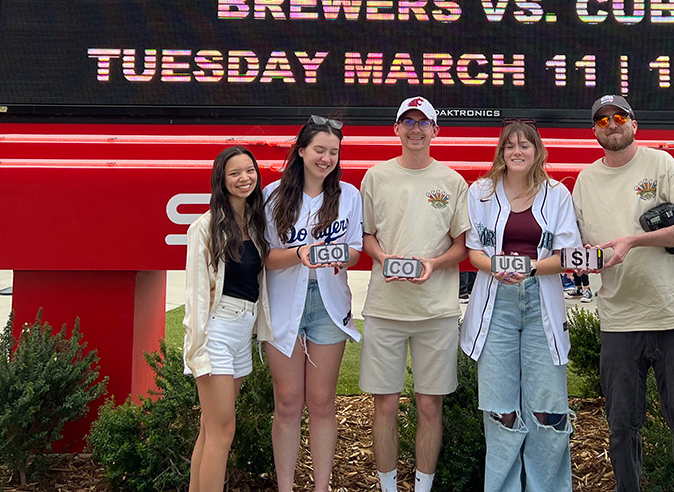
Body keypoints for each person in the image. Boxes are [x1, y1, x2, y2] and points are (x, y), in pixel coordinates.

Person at [573, 94, 674, 492]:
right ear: (594, 131)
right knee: (620, 429)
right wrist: (581, 261)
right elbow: (581, 251)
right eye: (602, 120)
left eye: (619, 116)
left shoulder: (660, 163)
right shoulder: (585, 181)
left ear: (634, 124)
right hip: (620, 321)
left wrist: (634, 240)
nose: (611, 124)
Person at [460, 120, 581, 492]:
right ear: (501, 151)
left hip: (540, 301)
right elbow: (473, 251)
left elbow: (567, 255)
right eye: (510, 145)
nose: (517, 151)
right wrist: (497, 268)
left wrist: (528, 268)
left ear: (537, 151)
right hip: (495, 304)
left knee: (548, 410)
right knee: (502, 411)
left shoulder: (557, 193)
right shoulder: (480, 191)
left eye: (525, 145)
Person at [360, 96, 471, 492]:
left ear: (436, 131)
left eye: (423, 123)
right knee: (385, 405)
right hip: (386, 308)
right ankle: (388, 487)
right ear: (396, 129)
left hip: (436, 311)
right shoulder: (375, 177)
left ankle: (423, 487)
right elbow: (366, 236)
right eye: (407, 121)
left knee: (429, 405)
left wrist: (433, 264)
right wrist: (383, 257)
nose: (415, 128)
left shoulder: (452, 182)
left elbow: (462, 246)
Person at [262, 116, 363, 492]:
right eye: (320, 149)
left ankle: (322, 487)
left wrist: (341, 256)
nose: (327, 158)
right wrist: (300, 253)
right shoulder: (273, 195)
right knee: (287, 403)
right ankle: (285, 487)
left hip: (328, 305)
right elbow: (266, 258)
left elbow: (354, 250)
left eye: (334, 152)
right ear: (301, 150)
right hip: (285, 302)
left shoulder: (349, 195)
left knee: (322, 402)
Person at [183, 146, 272, 492]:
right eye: (234, 173)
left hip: (242, 333)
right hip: (217, 331)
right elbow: (195, 296)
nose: (243, 178)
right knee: (223, 431)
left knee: (210, 429)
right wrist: (198, 349)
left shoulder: (255, 221)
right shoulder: (204, 228)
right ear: (221, 179)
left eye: (249, 170)